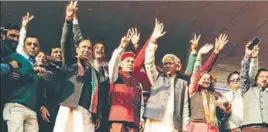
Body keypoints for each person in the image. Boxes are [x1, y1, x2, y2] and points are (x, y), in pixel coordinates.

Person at [53, 2, 101, 132]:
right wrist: (69, 20)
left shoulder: (94, 72)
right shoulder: (71, 62)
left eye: (89, 48)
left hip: (87, 111)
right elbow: (64, 41)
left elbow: (96, 94)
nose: (86, 50)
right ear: (77, 49)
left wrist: (98, 115)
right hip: (69, 107)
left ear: (92, 52)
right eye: (83, 47)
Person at [143, 19, 189, 132]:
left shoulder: (183, 84)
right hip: (155, 122)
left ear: (177, 66)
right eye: (165, 64)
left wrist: (185, 128)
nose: (167, 66)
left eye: (170, 63)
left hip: (172, 124)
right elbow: (148, 63)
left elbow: (185, 108)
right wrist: (153, 41)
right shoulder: (157, 78)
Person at [188, 44, 232, 132]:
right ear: (199, 80)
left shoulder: (215, 95)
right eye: (204, 78)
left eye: (209, 79)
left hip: (212, 127)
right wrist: (199, 55)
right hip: (197, 126)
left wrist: (226, 104)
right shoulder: (193, 91)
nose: (207, 80)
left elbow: (227, 112)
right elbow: (195, 74)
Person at [240, 42, 268, 132]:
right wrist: (249, 57)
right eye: (262, 76)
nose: (264, 79)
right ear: (256, 79)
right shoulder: (248, 89)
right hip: (249, 127)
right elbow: (244, 74)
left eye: (267, 77)